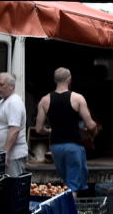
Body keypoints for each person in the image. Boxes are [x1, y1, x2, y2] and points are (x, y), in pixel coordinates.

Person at [34, 68, 98, 196]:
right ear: (69, 79)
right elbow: (90, 125)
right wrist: (95, 130)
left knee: (66, 182)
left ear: (54, 80)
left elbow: (38, 129)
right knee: (73, 185)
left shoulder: (45, 100)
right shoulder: (78, 98)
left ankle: (65, 211)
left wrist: (49, 131)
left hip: (56, 147)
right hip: (74, 146)